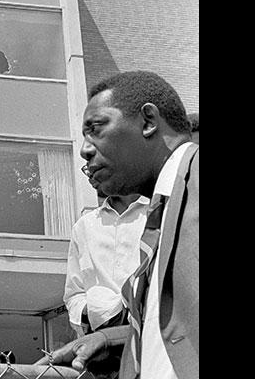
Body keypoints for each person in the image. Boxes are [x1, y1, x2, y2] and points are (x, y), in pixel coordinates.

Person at [36, 70, 199, 379]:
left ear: (148, 121)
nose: (84, 149)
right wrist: (108, 339)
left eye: (96, 128)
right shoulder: (162, 215)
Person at [63, 185, 149, 336]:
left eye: (93, 161)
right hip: (98, 338)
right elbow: (73, 293)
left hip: (148, 332)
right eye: (86, 167)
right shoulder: (83, 226)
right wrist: (91, 313)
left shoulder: (157, 215)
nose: (91, 171)